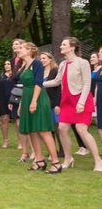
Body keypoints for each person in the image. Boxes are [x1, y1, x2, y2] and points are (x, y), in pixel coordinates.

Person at [44, 37, 102, 171]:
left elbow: (87, 84)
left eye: (64, 44)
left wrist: (81, 103)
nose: (61, 47)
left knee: (81, 129)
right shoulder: (63, 64)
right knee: (62, 128)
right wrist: (40, 83)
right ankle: (68, 158)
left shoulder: (82, 63)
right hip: (67, 102)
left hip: (81, 100)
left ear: (72, 47)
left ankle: (98, 161)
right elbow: (57, 81)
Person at [17, 41, 61, 174]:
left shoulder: (36, 63)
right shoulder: (23, 65)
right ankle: (39, 160)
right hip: (26, 98)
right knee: (32, 130)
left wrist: (34, 101)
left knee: (43, 130)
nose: (18, 50)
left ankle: (55, 162)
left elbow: (38, 83)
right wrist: (22, 103)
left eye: (21, 48)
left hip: (38, 97)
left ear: (30, 50)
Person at [8, 39, 33, 162]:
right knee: (19, 124)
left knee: (28, 124)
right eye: (14, 45)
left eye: (19, 46)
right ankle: (24, 152)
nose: (16, 48)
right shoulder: (16, 63)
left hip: (27, 94)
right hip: (16, 95)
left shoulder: (32, 63)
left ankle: (34, 152)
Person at [40, 51, 63, 157]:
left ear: (50, 59)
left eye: (44, 58)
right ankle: (53, 151)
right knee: (49, 128)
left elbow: (58, 89)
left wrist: (58, 104)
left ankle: (62, 150)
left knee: (57, 128)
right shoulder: (40, 71)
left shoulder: (55, 71)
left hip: (53, 103)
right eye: (41, 58)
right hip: (44, 103)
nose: (42, 60)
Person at [0, 60, 14, 148]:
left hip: (13, 100)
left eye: (8, 64)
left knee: (17, 121)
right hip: (2, 100)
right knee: (4, 120)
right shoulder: (0, 75)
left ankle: (21, 142)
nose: (6, 65)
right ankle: (5, 141)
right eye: (5, 64)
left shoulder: (15, 75)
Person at [93, 47, 102, 143]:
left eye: (101, 52)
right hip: (99, 99)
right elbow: (96, 86)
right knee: (100, 125)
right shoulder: (99, 69)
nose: (99, 53)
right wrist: (95, 98)